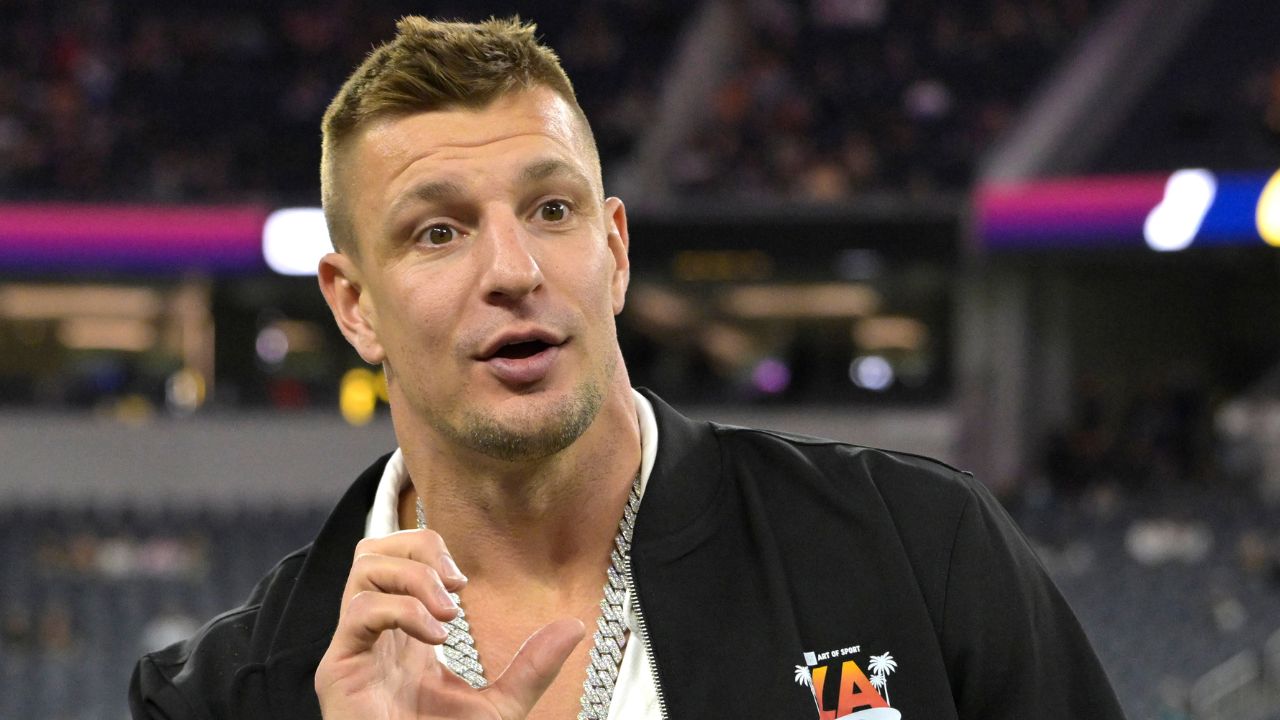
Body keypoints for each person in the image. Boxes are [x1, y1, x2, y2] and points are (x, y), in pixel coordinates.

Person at [130, 15, 1127, 720]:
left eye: (551, 210)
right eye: (438, 231)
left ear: (614, 251)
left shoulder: (919, 547)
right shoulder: (219, 698)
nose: (513, 270)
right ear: (354, 305)